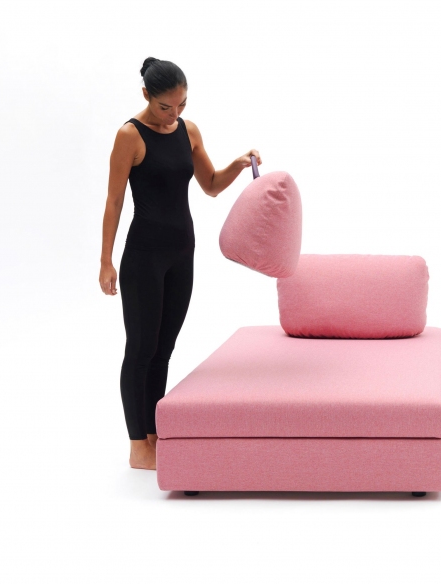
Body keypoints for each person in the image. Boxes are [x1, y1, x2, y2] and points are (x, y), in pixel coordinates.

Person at [99, 57, 262, 470]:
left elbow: (210, 186)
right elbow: (114, 201)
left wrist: (237, 164)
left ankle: (155, 434)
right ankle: (138, 446)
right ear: (146, 96)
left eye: (181, 105)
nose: (174, 114)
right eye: (165, 107)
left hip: (182, 254)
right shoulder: (129, 135)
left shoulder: (189, 131)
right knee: (140, 349)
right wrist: (105, 261)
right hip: (143, 257)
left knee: (163, 350)